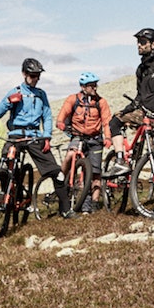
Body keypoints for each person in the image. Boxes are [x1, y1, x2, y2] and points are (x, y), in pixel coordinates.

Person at [0, 57, 73, 218]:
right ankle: (6, 193)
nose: (35, 79)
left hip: (36, 136)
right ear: (24, 74)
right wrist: (9, 102)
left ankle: (65, 209)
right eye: (32, 75)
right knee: (5, 163)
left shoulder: (41, 94)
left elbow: (47, 115)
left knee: (57, 172)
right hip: (16, 135)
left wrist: (47, 136)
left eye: (37, 76)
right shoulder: (15, 91)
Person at [106, 28, 154, 177]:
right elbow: (140, 96)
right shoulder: (141, 69)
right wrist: (127, 110)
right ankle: (120, 161)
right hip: (145, 114)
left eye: (142, 42)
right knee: (115, 121)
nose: (139, 45)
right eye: (138, 42)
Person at [55, 72, 113, 212]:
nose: (94, 88)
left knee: (95, 174)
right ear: (83, 87)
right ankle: (60, 178)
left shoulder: (101, 102)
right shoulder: (72, 99)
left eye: (95, 85)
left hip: (95, 139)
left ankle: (92, 205)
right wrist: (60, 123)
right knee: (70, 155)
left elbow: (106, 122)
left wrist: (108, 137)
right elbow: (62, 114)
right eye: (91, 85)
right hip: (77, 136)